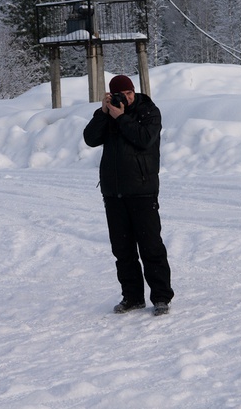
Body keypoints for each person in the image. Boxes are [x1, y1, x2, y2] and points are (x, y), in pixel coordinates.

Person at [83, 74, 174, 316]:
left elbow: (144, 139)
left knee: (151, 246)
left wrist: (121, 117)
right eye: (122, 94)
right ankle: (132, 298)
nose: (127, 97)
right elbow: (90, 139)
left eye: (130, 93)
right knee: (122, 250)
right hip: (114, 194)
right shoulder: (108, 113)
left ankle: (162, 297)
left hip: (142, 191)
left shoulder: (149, 111)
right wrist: (103, 113)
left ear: (135, 92)